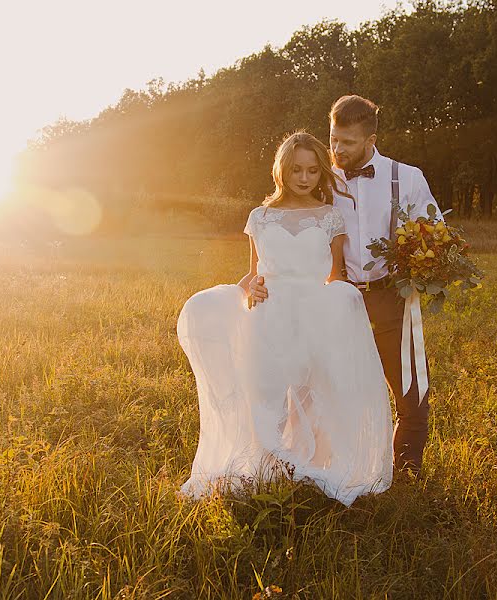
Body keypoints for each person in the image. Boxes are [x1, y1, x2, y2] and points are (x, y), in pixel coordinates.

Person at [176, 131, 393, 507]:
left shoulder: (330, 217)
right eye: (297, 169)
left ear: (321, 173)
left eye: (312, 170)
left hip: (313, 316)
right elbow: (252, 274)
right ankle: (265, 470)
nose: (305, 178)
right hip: (269, 315)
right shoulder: (259, 217)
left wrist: (341, 309)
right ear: (282, 170)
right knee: (266, 391)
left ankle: (305, 465)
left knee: (311, 394)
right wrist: (248, 290)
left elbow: (336, 275)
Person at [249, 96, 443, 476]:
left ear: (371, 140)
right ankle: (312, 464)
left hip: (390, 297)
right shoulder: (321, 176)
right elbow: (283, 219)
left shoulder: (408, 177)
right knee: (319, 389)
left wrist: (425, 259)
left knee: (411, 394)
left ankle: (405, 474)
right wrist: (261, 276)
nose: (337, 150)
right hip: (332, 302)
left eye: (347, 143)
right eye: (334, 139)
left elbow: (435, 234)